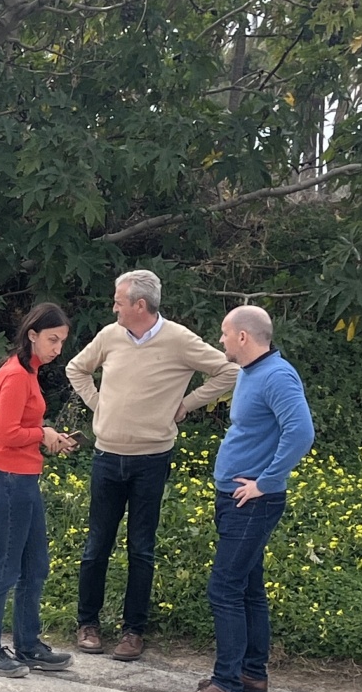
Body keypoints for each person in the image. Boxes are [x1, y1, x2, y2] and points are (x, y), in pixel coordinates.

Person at [64, 269, 237, 660]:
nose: (114, 307)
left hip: (152, 457)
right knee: (96, 545)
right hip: (107, 455)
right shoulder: (110, 335)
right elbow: (76, 368)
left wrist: (186, 405)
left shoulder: (178, 339)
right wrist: (98, 405)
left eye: (119, 301)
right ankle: (87, 623)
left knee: (141, 547)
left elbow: (229, 370)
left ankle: (133, 632)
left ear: (140, 305)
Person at [175, 305, 314, 692]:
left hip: (251, 502)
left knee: (224, 587)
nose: (220, 339)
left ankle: (226, 684)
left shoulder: (277, 375)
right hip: (237, 498)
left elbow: (301, 432)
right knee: (249, 587)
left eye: (224, 333)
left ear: (243, 337)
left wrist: (265, 482)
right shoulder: (253, 373)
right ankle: (251, 672)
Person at [0, 302, 79, 678]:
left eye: (62, 341)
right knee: (2, 569)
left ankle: (28, 644)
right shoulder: (16, 374)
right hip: (4, 480)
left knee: (35, 567)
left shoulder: (29, 372)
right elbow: (6, 434)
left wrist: (49, 436)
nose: (57, 348)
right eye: (52, 339)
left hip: (24, 479)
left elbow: (23, 425)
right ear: (32, 335)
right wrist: (44, 434)